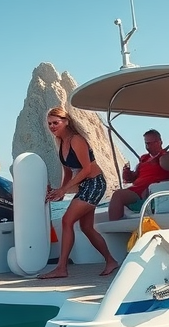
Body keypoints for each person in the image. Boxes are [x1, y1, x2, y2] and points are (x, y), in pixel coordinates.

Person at [39, 107, 119, 279]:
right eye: (50, 124)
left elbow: (86, 169)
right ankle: (111, 261)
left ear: (66, 121)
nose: (52, 126)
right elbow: (68, 173)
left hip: (95, 184)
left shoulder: (76, 139)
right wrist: (59, 191)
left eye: (56, 123)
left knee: (67, 220)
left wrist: (64, 190)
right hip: (85, 187)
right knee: (86, 227)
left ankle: (61, 268)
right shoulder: (61, 143)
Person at [107, 129, 169, 221]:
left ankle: (115, 226)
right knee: (118, 194)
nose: (149, 146)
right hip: (136, 190)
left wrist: (162, 157)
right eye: (147, 143)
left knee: (119, 195)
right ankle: (115, 226)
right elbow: (133, 177)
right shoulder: (144, 158)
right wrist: (128, 174)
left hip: (150, 191)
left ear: (160, 142)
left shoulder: (167, 155)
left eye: (152, 143)